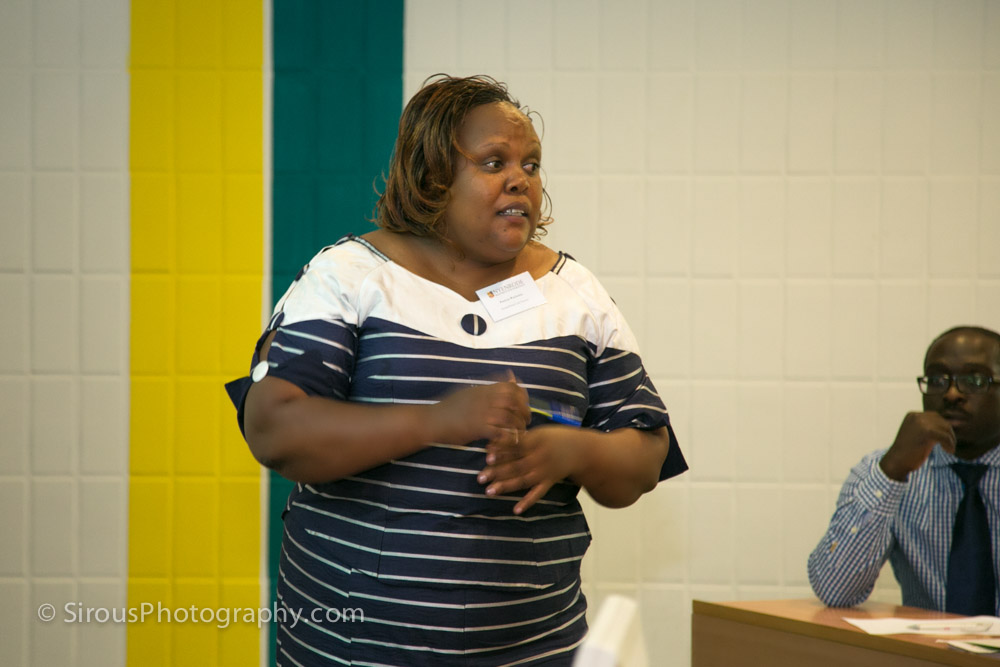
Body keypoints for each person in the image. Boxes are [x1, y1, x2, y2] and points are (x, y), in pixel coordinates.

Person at [226, 74, 687, 666]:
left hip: (533, 650)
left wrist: (575, 452)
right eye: (494, 162)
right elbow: (274, 429)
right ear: (432, 176)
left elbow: (644, 455)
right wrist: (437, 421)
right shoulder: (349, 276)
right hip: (352, 649)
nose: (520, 179)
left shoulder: (575, 294)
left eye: (531, 164)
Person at [808, 326, 1000, 615]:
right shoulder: (887, 471)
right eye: (937, 380)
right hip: (925, 644)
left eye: (974, 380)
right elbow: (835, 591)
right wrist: (892, 471)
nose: (951, 394)